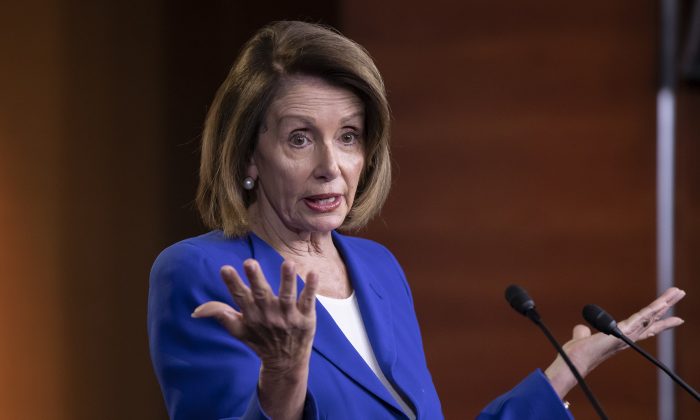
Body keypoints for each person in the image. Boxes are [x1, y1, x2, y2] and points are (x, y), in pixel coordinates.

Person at [147, 21, 687, 420]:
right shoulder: (203, 272)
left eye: (349, 137)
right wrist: (285, 375)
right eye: (299, 138)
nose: (330, 167)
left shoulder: (378, 269)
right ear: (247, 156)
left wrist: (563, 373)